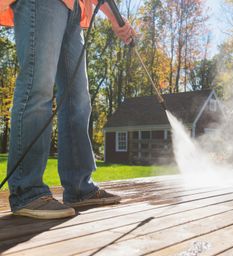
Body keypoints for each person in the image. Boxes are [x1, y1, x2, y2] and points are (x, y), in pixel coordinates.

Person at [0, 0, 135, 219]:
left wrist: (114, 18)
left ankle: (79, 188)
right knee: (38, 88)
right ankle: (27, 191)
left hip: (75, 9)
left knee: (78, 99)